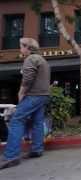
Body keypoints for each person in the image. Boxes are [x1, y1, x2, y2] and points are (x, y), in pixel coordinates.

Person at [0, 38, 50, 170]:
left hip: (33, 95)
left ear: (28, 47)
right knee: (37, 122)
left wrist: (21, 93)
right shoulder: (42, 60)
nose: (20, 49)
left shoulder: (30, 59)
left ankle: (11, 156)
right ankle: (37, 150)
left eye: (21, 46)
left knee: (16, 120)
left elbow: (27, 79)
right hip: (43, 95)